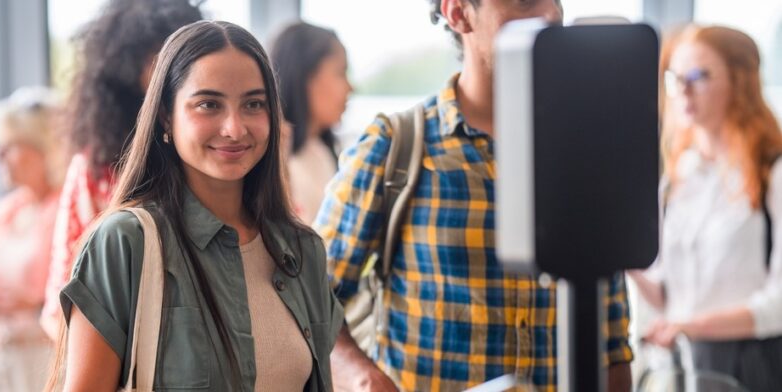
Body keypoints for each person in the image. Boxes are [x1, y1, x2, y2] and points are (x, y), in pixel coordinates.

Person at [313, 0, 634, 391]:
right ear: (458, 12)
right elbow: (311, 298)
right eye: (526, 1)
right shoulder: (396, 146)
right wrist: (363, 376)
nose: (551, 13)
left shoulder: (586, 151)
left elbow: (612, 340)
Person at [48, 20, 343, 392]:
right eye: (208, 104)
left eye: (253, 104)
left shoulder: (302, 250)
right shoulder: (125, 242)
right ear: (166, 117)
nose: (234, 128)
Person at [628, 25, 782, 392]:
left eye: (698, 75)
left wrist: (691, 325)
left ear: (739, 82)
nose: (683, 88)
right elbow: (669, 295)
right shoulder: (679, 178)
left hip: (750, 367)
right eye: (675, 77)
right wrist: (620, 257)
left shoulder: (772, 172)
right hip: (680, 367)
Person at [40, 0, 203, 338]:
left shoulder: (220, 152)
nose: (174, 72)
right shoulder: (96, 169)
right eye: (159, 59)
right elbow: (64, 296)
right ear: (129, 70)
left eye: (186, 57)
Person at [0, 87, 63, 392]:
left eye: (10, 146)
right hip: (3, 359)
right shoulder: (1, 214)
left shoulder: (67, 211)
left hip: (47, 360)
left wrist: (35, 306)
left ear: (43, 149)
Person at [269, 21, 353, 224]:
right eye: (340, 72)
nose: (350, 87)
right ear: (305, 76)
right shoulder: (272, 160)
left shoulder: (324, 152)